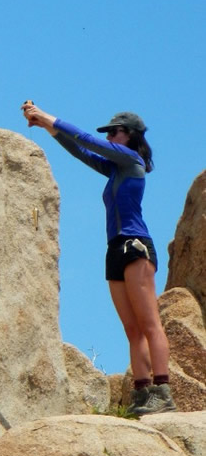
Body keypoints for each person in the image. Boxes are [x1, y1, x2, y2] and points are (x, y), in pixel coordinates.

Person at [20, 101, 176, 416]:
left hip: (136, 245)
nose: (110, 137)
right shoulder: (115, 169)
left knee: (149, 323)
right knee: (131, 328)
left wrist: (48, 114)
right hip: (115, 248)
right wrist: (47, 127)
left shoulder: (132, 161)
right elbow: (82, 151)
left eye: (114, 132)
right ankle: (143, 391)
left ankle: (163, 390)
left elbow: (89, 141)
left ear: (130, 135)